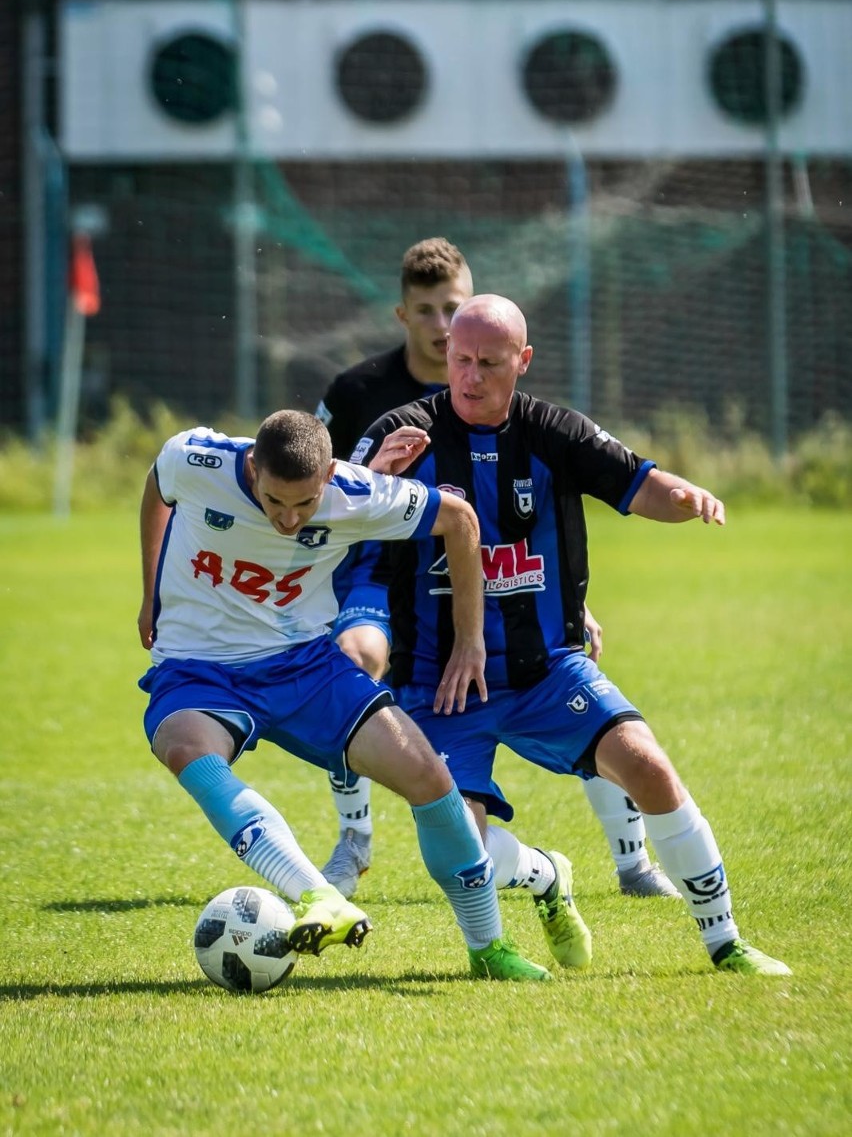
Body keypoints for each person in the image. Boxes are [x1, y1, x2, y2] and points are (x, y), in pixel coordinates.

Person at [354, 295, 792, 977]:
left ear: (522, 362)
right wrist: (371, 479)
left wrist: (686, 497)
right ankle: (542, 878)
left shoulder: (554, 432)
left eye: (489, 363)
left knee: (647, 764)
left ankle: (725, 941)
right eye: (459, 360)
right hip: (437, 683)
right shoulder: (401, 433)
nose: (469, 376)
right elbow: (334, 512)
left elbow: (637, 484)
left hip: (547, 668)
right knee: (455, 847)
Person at [137, 408, 577, 981]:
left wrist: (470, 640)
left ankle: (489, 949)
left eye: (305, 504)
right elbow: (156, 485)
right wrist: (150, 591)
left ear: (330, 478)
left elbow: (461, 522)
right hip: (198, 668)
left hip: (306, 667)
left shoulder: (355, 492)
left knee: (429, 778)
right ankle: (320, 897)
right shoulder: (197, 458)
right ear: (251, 468)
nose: (289, 519)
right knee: (184, 746)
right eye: (274, 502)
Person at [316, 237, 676, 905]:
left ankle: (632, 861)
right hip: (377, 575)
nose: (439, 326)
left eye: (450, 310)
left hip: (497, 575)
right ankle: (353, 839)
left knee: (574, 671)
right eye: (425, 312)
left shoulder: (513, 407)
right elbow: (312, 485)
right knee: (357, 659)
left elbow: (532, 521)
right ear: (403, 316)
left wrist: (569, 602)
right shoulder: (361, 393)